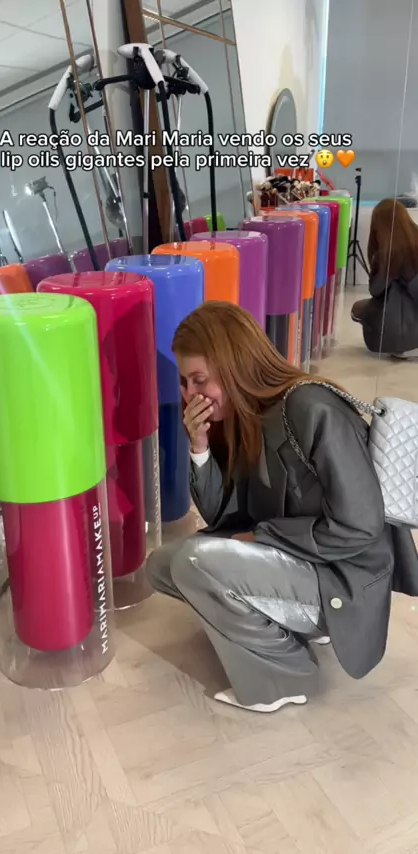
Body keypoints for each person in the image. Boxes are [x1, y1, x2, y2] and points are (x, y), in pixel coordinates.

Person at [146, 302, 418, 713]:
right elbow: (222, 515)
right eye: (185, 382)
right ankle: (280, 623)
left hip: (341, 573)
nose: (190, 394)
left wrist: (261, 536)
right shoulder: (244, 415)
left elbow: (360, 526)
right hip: (299, 556)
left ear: (235, 366)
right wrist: (199, 447)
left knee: (194, 563)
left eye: (199, 379)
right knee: (163, 566)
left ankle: (283, 678)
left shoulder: (312, 408)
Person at [351, 198, 418, 358]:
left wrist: (386, 271)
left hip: (399, 331)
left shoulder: (387, 255)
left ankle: (404, 345)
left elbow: (376, 290)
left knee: (359, 309)